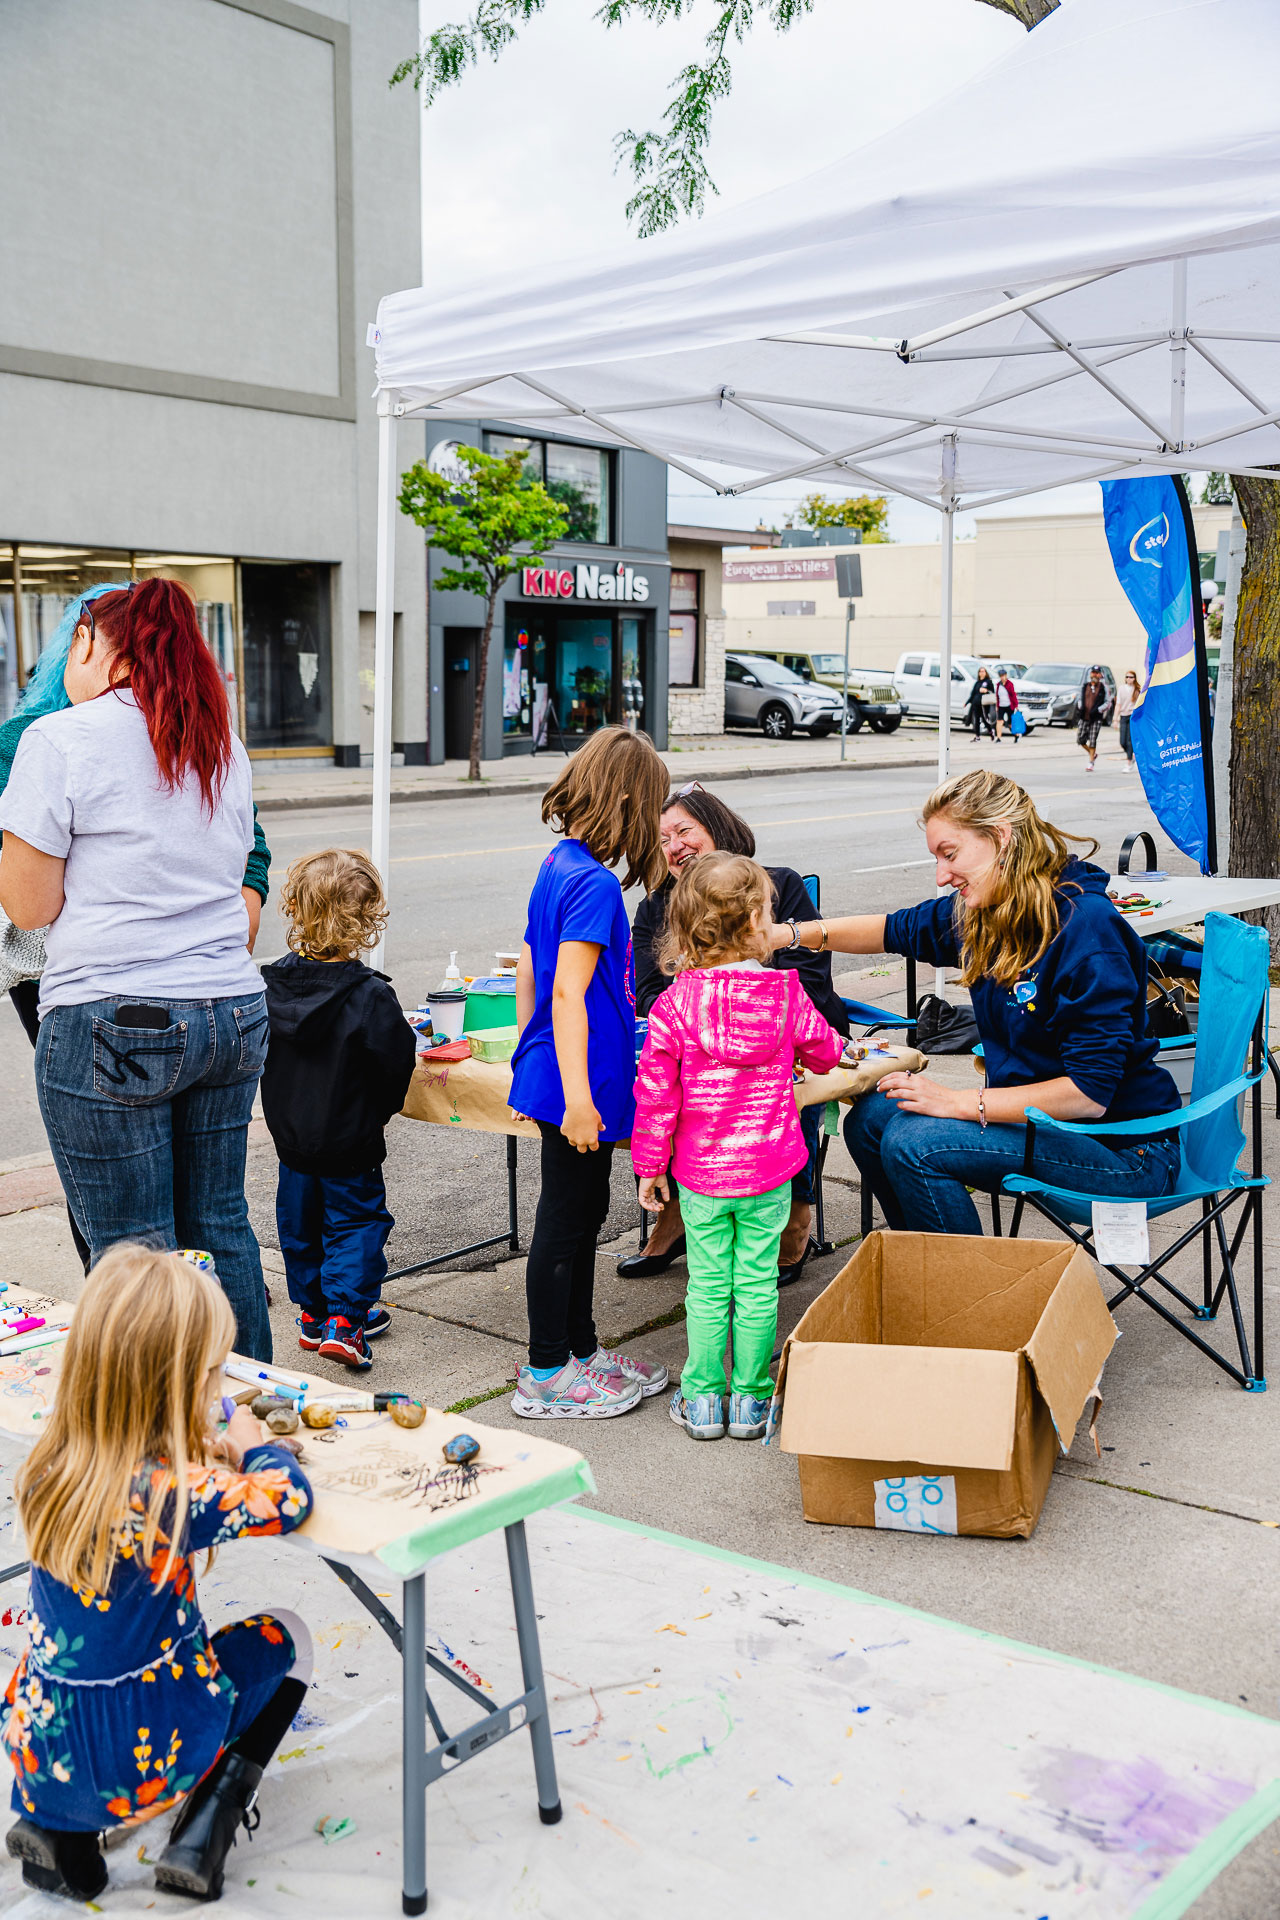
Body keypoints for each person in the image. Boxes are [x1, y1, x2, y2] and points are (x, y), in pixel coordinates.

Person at [0, 578, 273, 1358]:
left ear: (89, 643)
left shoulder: (59, 740)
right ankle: (256, 1415)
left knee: (134, 1253)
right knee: (220, 1226)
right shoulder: (219, 742)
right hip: (230, 1012)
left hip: (114, 1020)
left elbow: (27, 907)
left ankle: (158, 1441)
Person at [2, 1246, 313, 1903]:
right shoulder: (175, 1492)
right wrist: (253, 1442)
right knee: (290, 1638)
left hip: (44, 1745)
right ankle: (203, 1830)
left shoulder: (54, 1466)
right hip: (149, 1747)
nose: (217, 1387)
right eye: (209, 1374)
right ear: (168, 1385)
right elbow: (290, 1500)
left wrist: (186, 1443)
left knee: (94, 1675)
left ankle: (61, 1831)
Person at [771, 770, 1181, 1236]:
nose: (942, 877)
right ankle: (923, 1268)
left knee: (915, 1142)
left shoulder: (1086, 931)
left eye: (950, 854)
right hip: (1050, 1128)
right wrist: (789, 934)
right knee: (868, 1122)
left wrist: (957, 1101)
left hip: (1125, 1151)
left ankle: (968, 1301)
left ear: (1000, 837)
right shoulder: (987, 910)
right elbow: (890, 928)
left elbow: (1087, 1096)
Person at [633, 854, 844, 1441]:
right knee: (755, 1283)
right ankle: (751, 1402)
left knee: (707, 1284)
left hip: (700, 1174)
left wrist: (650, 1166)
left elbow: (655, 1093)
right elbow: (826, 1053)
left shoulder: (673, 1005)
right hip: (770, 1170)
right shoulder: (785, 995)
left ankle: (702, 1400)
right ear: (757, 920)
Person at [626, 783, 850, 1284]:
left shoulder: (780, 886)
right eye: (662, 839)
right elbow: (645, 994)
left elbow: (810, 983)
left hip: (786, 1036)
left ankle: (795, 1213)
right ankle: (677, 1208)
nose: (674, 846)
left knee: (776, 1088)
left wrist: (748, 1018)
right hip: (697, 1039)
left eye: (684, 830)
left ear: (717, 828)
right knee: (665, 1086)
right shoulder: (656, 908)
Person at [508, 726, 670, 1420]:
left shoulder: (557, 864)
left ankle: (580, 1351)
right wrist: (574, 1097)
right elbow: (568, 991)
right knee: (567, 1223)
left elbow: (525, 968)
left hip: (565, 1075)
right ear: (632, 804)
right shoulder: (597, 885)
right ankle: (547, 1371)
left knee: (585, 1213)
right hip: (582, 1087)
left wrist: (527, 1062)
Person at [260, 849, 417, 1370]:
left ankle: (312, 1313)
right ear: (367, 920)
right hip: (350, 1139)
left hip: (292, 1140)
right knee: (355, 1224)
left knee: (299, 1225)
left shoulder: (270, 987)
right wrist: (379, 1113)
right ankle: (346, 1320)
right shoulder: (370, 996)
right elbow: (396, 1066)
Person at [1076, 664, 1112, 772]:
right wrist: (1080, 707)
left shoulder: (1103, 688)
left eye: (1097, 673)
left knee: (1092, 740)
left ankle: (1091, 762)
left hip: (1096, 718)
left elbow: (1108, 702)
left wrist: (1099, 710)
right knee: (1080, 740)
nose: (1095, 675)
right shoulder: (1085, 685)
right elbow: (1079, 698)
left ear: (1100, 675)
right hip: (1084, 716)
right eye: (1093, 673)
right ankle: (1093, 754)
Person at [966, 667, 997, 741]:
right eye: (980, 671)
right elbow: (973, 694)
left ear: (986, 673)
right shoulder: (977, 683)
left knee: (984, 719)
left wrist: (986, 690)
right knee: (976, 720)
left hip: (984, 704)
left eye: (983, 671)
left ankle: (990, 731)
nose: (982, 673)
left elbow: (992, 692)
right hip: (976, 704)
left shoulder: (988, 682)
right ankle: (977, 736)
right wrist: (967, 702)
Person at [1117, 669, 1139, 768]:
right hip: (1123, 715)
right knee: (1122, 741)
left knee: (1130, 740)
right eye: (1127, 677)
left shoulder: (1137, 690)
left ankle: (1129, 761)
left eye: (1131, 677)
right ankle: (1131, 755)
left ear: (1134, 679)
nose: (1128, 679)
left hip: (1132, 716)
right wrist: (1115, 718)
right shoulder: (1121, 688)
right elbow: (1118, 704)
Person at [996, 669, 1021, 743]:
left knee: (1010, 723)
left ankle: (1016, 735)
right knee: (999, 721)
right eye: (1001, 676)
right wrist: (997, 706)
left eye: (1003, 676)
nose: (1002, 677)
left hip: (1009, 706)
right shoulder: (998, 685)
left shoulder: (1010, 684)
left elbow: (1013, 695)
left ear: (1006, 675)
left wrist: (1016, 705)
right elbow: (997, 696)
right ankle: (998, 738)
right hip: (1001, 706)